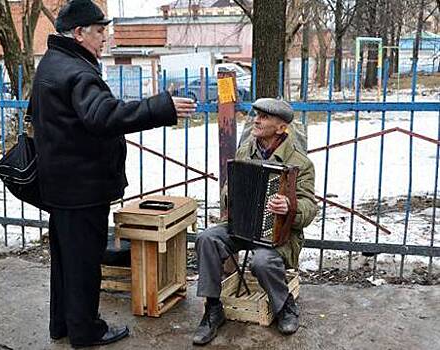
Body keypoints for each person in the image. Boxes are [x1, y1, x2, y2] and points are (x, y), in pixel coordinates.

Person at [30, 0, 196, 347]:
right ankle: (87, 331)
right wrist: (160, 106)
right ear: (79, 33)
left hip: (61, 185)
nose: (105, 38)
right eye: (99, 30)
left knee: (66, 261)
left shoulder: (52, 63)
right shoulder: (77, 72)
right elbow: (103, 116)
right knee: (85, 263)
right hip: (81, 187)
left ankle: (63, 324)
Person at [192, 98, 317, 345]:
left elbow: (309, 207)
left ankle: (284, 306)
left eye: (264, 117)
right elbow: (228, 189)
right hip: (243, 226)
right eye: (256, 115)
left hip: (278, 233)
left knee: (261, 261)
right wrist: (232, 194)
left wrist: (290, 206)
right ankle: (213, 309)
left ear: (281, 128)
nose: (256, 121)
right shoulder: (244, 152)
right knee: (207, 238)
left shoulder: (301, 164)